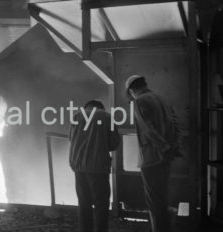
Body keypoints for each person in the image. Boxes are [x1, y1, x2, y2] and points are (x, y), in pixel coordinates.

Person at [125, 75, 182, 232]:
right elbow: (176, 125)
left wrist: (164, 147)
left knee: (155, 203)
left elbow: (148, 129)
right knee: (162, 198)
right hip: (166, 158)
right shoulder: (162, 98)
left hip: (151, 159)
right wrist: (173, 147)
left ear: (131, 91)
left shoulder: (139, 101)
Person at [69, 100, 120, 232]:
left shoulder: (76, 116)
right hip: (99, 167)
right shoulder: (107, 117)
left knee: (84, 203)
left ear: (86, 107)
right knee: (101, 204)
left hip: (79, 166)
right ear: (101, 108)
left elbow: (71, 138)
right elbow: (114, 143)